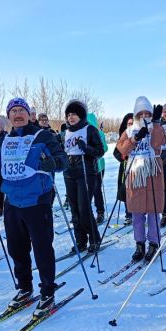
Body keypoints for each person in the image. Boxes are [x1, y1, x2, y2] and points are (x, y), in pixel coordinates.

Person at [0, 98, 68, 317]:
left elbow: (63, 159)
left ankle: (47, 291)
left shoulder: (42, 136)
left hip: (38, 200)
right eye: (13, 111)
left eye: (21, 110)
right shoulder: (4, 141)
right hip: (12, 202)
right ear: (9, 116)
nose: (17, 114)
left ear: (28, 114)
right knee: (16, 249)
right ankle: (25, 287)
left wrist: (54, 163)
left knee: (42, 249)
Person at [116, 96, 166, 262]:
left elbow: (159, 142)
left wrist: (157, 123)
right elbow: (122, 149)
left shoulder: (156, 127)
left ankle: (153, 243)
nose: (145, 116)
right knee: (137, 213)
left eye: (148, 113)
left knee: (153, 212)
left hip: (153, 174)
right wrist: (135, 139)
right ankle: (139, 244)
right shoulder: (129, 130)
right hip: (136, 176)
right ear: (136, 114)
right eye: (141, 113)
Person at [63, 99, 105, 253]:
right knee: (74, 210)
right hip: (69, 173)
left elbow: (100, 151)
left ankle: (94, 238)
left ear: (81, 115)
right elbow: (62, 152)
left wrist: (86, 148)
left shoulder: (89, 129)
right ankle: (81, 241)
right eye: (68, 115)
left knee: (84, 209)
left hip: (86, 173)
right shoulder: (65, 132)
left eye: (74, 114)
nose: (71, 117)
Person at [87, 112, 108, 224]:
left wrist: (97, 152)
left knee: (96, 189)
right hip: (87, 166)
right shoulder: (83, 132)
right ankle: (86, 212)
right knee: (86, 190)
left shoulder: (99, 133)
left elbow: (105, 148)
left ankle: (100, 212)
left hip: (99, 166)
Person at [113, 114, 134, 226]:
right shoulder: (123, 136)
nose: (131, 125)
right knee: (126, 191)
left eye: (132, 123)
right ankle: (128, 214)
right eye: (129, 123)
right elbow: (115, 152)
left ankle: (138, 213)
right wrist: (123, 156)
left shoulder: (140, 135)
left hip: (138, 168)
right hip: (125, 167)